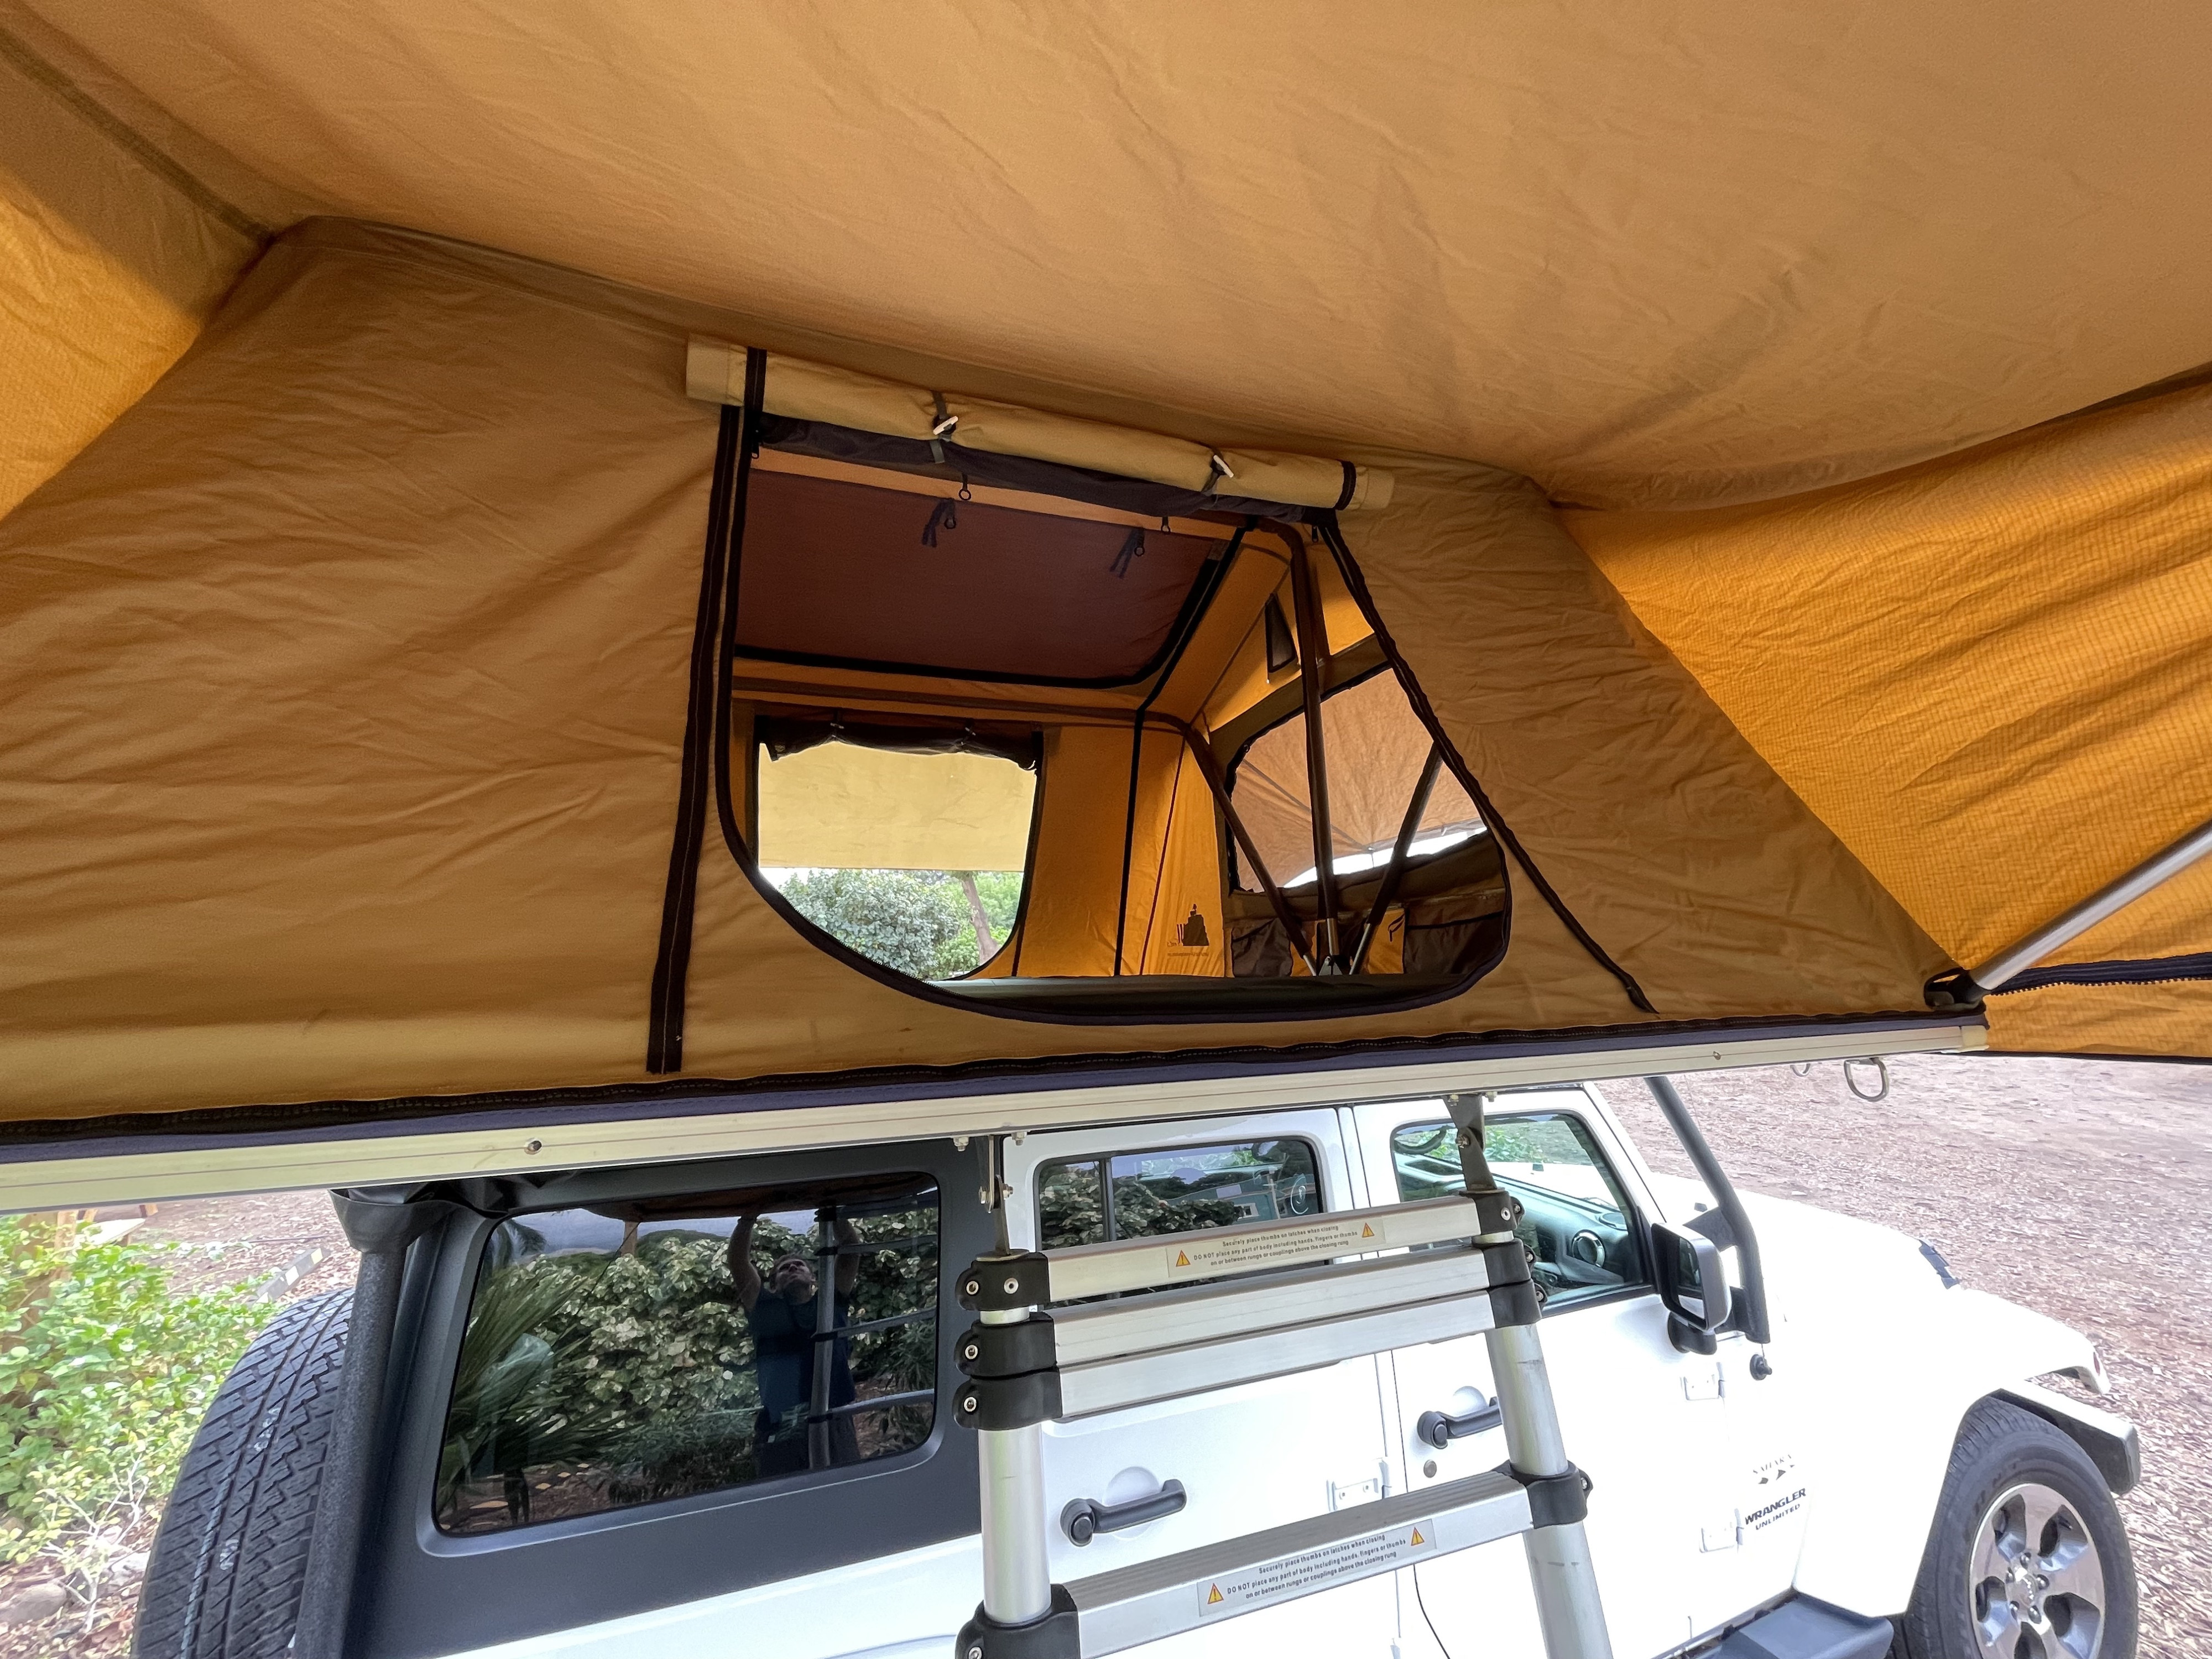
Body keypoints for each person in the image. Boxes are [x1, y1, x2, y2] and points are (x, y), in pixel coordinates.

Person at [728, 1210, 863, 1475]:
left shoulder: (831, 1302)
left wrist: (832, 1211)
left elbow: (851, 1248)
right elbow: (738, 1262)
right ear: (774, 1286)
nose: (792, 1268)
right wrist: (748, 1218)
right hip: (781, 1423)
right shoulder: (764, 1309)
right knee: (785, 1492)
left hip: (833, 1416)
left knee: (843, 1486)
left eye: (799, 1265)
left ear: (813, 1279)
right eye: (784, 1269)